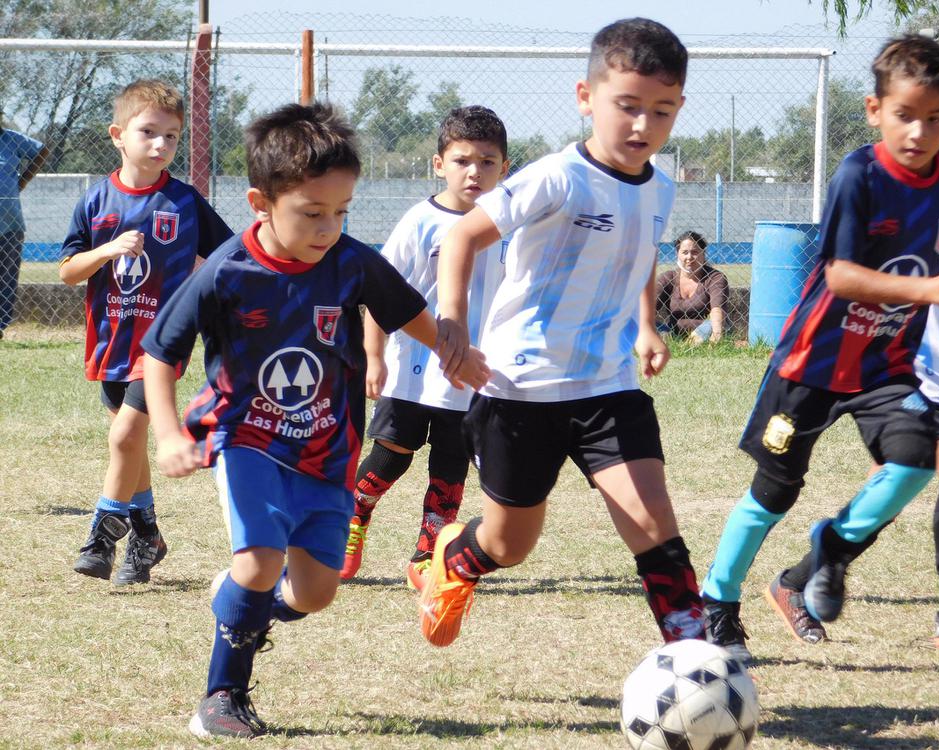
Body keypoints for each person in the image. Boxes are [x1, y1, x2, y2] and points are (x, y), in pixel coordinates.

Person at [140, 102, 489, 738]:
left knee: (315, 592)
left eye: (340, 212)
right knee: (259, 561)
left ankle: (239, 605)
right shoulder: (227, 271)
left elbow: (409, 310)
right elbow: (160, 356)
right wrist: (167, 434)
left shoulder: (350, 263)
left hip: (329, 452)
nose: (329, 227)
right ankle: (222, 696)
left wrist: (449, 349)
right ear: (260, 202)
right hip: (247, 440)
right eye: (311, 212)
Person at [699, 34, 939, 666]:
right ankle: (717, 603)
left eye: (936, 118)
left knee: (917, 460)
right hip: (810, 365)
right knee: (775, 489)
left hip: (886, 366)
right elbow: (841, 275)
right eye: (905, 115)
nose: (919, 131)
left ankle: (829, 548)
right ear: (874, 110)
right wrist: (930, 288)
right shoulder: (860, 175)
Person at [421, 17, 704, 649]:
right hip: (519, 388)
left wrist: (645, 327)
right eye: (626, 106)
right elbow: (461, 236)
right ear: (586, 98)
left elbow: (636, 252)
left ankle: (696, 653)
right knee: (509, 543)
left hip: (608, 385)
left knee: (652, 520)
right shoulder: (556, 177)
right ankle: (457, 559)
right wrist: (455, 329)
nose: (642, 126)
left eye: (661, 112)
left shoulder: (659, 183)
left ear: (679, 108)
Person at [766, 81, 939, 651]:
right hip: (902, 362)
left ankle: (802, 577)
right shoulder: (915, 198)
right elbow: (857, 274)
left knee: (895, 484)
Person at [59, 79, 232, 586]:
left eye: (172, 136)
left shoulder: (184, 202)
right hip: (111, 340)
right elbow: (69, 271)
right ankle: (149, 535)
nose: (161, 145)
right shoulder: (95, 203)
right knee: (131, 446)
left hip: (160, 345)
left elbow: (229, 254)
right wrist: (108, 251)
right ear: (118, 135)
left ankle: (101, 535)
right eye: (149, 133)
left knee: (123, 436)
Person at [340, 105, 509, 589]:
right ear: (439, 164)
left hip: (471, 373)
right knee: (391, 456)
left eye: (487, 161)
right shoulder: (419, 222)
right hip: (412, 368)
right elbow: (379, 294)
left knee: (451, 467)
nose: (474, 171)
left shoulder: (508, 225)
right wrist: (374, 357)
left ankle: (427, 553)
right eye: (461, 160)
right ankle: (353, 517)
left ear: (505, 168)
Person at [0, 116, 48, 339]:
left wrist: (23, 181)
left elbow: (42, 151)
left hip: (10, 223)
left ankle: (1, 324)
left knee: (7, 275)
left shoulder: (11, 140)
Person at [655, 230, 728, 343]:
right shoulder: (667, 278)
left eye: (695, 252)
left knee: (710, 325)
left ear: (703, 254)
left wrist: (716, 335)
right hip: (672, 334)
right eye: (685, 252)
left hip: (704, 333)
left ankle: (692, 344)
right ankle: (670, 343)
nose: (689, 257)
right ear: (677, 254)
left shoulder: (715, 278)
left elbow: (717, 310)